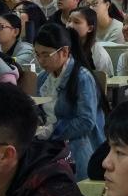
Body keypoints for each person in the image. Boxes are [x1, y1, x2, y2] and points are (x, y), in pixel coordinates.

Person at [35, 24, 106, 180]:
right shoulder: (42, 78)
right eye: (37, 54)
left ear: (65, 52)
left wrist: (53, 131)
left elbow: (86, 122)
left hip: (77, 144)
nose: (41, 61)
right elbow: (40, 111)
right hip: (50, 143)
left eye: (46, 55)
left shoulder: (82, 77)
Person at [68, 6, 116, 75]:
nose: (70, 25)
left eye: (76, 22)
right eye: (69, 21)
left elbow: (103, 79)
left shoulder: (99, 54)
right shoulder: (62, 47)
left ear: (90, 28)